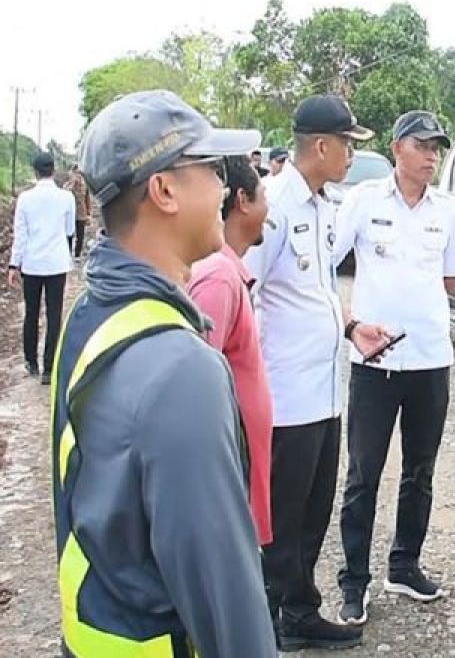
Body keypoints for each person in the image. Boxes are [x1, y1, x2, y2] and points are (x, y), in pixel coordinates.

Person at [50, 90, 276, 656]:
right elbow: (226, 601)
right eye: (210, 168)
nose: (225, 186)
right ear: (164, 190)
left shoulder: (91, 314)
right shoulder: (182, 369)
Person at [244, 94, 387, 651]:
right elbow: (244, 288)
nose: (352, 154)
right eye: (348, 144)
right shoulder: (274, 205)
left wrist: (352, 328)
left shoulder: (326, 205)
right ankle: (262, 623)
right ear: (322, 146)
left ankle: (299, 612)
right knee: (279, 521)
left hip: (325, 392)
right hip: (285, 395)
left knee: (312, 512)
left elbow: (321, 292)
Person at [331, 111, 455, 625]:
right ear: (397, 149)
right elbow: (329, 262)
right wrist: (352, 321)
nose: (432, 155)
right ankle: (354, 581)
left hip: (430, 358)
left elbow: (451, 279)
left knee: (420, 471)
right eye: (423, 146)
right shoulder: (364, 202)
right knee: (363, 473)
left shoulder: (446, 212)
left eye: (438, 148)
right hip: (375, 360)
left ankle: (404, 565)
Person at [187, 155, 274, 546]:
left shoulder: (226, 272)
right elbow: (197, 391)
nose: (268, 210)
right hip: (228, 474)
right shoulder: (219, 279)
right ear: (242, 200)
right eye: (263, 197)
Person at [8, 151, 74, 384]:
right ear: (53, 170)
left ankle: (31, 362)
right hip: (56, 263)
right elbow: (69, 231)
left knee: (31, 313)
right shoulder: (67, 198)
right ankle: (49, 368)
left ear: (35, 172)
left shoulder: (25, 199)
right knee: (54, 315)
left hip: (32, 264)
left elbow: (21, 235)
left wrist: (13, 265)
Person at [64, 163, 92, 259]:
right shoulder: (67, 186)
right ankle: (68, 255)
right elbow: (64, 195)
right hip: (70, 214)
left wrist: (89, 214)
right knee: (69, 234)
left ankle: (77, 255)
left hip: (81, 214)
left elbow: (87, 200)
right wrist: (73, 184)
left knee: (80, 235)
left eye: (79, 173)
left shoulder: (85, 186)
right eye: (75, 173)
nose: (78, 176)